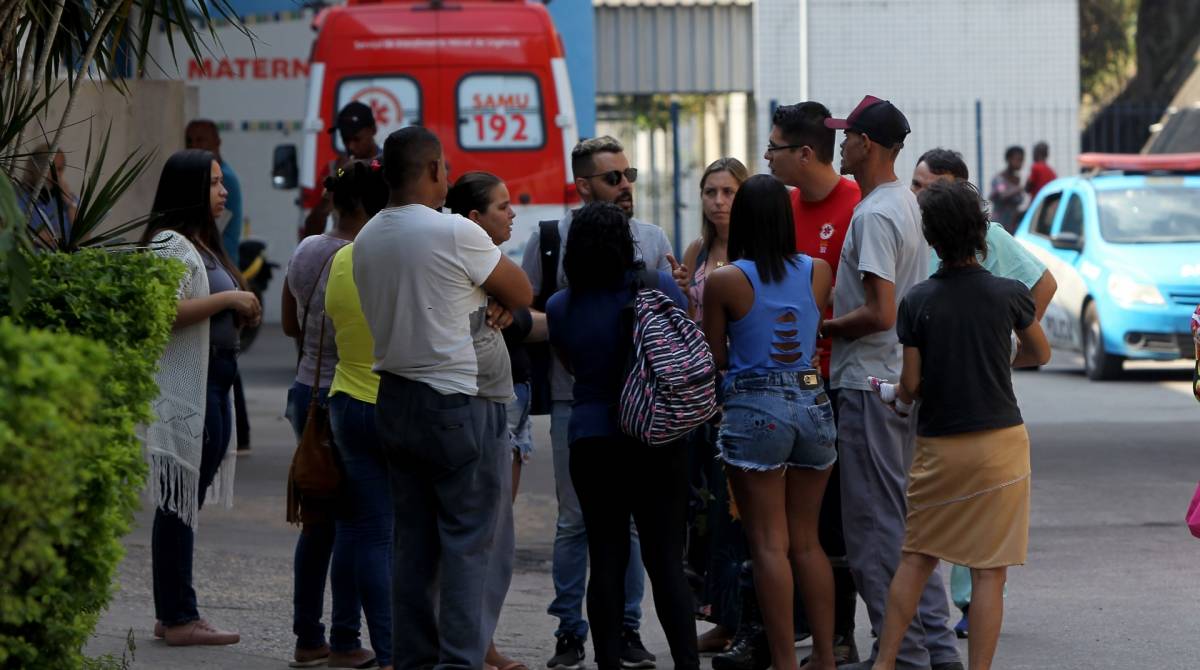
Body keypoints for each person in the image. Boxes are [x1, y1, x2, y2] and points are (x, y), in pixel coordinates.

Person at [353, 126, 531, 668]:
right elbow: (521, 292)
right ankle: (460, 661)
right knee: (470, 546)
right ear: (433, 170)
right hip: (458, 401)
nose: (449, 177)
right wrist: (496, 300)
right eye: (446, 169)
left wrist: (486, 298)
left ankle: (412, 660)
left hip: (395, 401)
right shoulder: (452, 231)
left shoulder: (367, 238)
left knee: (413, 547)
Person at [869, 179, 1051, 670]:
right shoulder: (1008, 294)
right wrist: (994, 362)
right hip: (1002, 445)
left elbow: (910, 385)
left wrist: (904, 391)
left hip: (940, 447)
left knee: (917, 556)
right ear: (981, 232)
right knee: (990, 573)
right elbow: (1040, 351)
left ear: (930, 238)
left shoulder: (917, 300)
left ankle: (885, 663)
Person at [520, 136, 673, 669]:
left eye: (629, 174)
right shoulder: (549, 239)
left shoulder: (652, 240)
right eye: (614, 177)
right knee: (573, 522)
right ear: (583, 185)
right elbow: (535, 313)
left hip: (643, 410)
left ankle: (628, 629)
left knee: (627, 529)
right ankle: (569, 630)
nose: (626, 185)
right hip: (574, 403)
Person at [820, 96, 963, 670]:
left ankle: (901, 653)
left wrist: (823, 325)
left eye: (847, 135)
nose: (841, 144)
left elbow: (880, 311)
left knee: (874, 532)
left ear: (868, 145)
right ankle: (936, 649)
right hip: (895, 380)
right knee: (903, 527)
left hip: (869, 381)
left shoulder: (877, 212)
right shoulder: (906, 203)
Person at [910, 148, 1058, 637]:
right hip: (932, 390)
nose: (917, 195)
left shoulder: (986, 237)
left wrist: (1007, 342)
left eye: (926, 186)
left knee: (975, 516)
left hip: (977, 400)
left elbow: (1043, 283)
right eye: (915, 184)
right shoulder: (920, 232)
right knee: (936, 517)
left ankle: (971, 602)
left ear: (955, 188)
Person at [545, 201, 699, 670]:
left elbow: (569, 364)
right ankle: (688, 665)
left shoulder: (558, 307)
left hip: (592, 440)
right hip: (656, 437)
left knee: (606, 557)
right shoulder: (658, 287)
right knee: (666, 560)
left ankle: (607, 662)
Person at [700, 175, 836, 670]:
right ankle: (824, 656)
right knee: (807, 541)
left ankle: (784, 662)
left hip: (756, 409)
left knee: (767, 544)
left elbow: (713, 354)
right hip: (813, 403)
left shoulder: (726, 280)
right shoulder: (818, 271)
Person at [141, 149, 261, 646]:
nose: (224, 190)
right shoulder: (169, 244)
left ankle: (174, 611)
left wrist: (241, 310)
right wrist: (231, 299)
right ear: (190, 188)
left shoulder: (201, 243)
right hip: (194, 386)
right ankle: (178, 616)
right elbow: (164, 311)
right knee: (179, 503)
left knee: (183, 502)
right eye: (214, 183)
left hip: (218, 380)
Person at [764, 101, 864, 667]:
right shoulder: (780, 207)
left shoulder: (859, 207)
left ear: (805, 153)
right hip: (782, 385)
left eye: (774, 148)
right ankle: (799, 630)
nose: (768, 159)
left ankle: (844, 633)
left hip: (838, 380)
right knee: (787, 525)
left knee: (836, 519)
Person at [281, 160, 388, 669]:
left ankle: (308, 638)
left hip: (304, 392)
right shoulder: (361, 257)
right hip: (345, 395)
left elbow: (288, 322)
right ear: (369, 206)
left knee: (316, 522)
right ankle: (346, 641)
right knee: (354, 524)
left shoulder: (306, 249)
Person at [446, 170, 536, 670]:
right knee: (484, 534)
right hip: (474, 406)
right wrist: (513, 304)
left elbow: (524, 307)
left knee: (495, 529)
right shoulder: (468, 253)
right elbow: (524, 294)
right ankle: (472, 647)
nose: (513, 213)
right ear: (475, 219)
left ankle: (480, 642)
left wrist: (513, 312)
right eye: (502, 206)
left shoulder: (480, 261)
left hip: (500, 401)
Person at [671, 157, 749, 656]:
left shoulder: (755, 252)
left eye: (728, 192)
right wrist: (682, 294)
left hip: (741, 388)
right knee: (704, 510)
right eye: (710, 192)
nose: (718, 201)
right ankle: (719, 617)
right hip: (701, 393)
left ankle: (742, 620)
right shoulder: (698, 251)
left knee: (736, 509)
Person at [302, 102, 382, 239]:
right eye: (345, 140)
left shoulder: (388, 164)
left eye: (357, 139)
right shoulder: (335, 169)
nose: (351, 146)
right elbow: (310, 232)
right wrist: (337, 177)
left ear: (373, 130)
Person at [185, 120, 243, 265]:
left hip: (219, 265)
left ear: (217, 142)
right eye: (189, 141)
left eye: (200, 140)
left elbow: (209, 233)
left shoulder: (225, 178)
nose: (193, 145)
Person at [18, 144, 77, 245]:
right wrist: (34, 238)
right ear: (33, 167)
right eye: (50, 167)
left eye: (59, 169)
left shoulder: (71, 201)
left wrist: (71, 204)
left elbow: (85, 241)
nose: (55, 175)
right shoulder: (16, 198)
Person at [988, 146, 1025, 234]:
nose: (1020, 163)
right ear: (1008, 159)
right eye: (1018, 160)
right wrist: (1018, 189)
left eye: (1022, 160)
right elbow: (1003, 194)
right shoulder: (999, 179)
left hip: (1012, 226)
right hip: (999, 226)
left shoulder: (1017, 179)